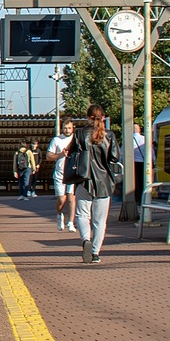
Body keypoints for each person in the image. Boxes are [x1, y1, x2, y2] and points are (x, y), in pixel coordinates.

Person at [68, 106, 125, 263]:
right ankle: (95, 253)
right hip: (104, 183)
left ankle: (86, 239)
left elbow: (71, 153)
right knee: (100, 221)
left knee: (82, 215)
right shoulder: (110, 135)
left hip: (84, 181)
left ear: (88, 117)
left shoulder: (79, 133)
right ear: (103, 117)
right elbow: (115, 158)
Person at [45, 119, 77, 232]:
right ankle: (59, 215)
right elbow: (48, 156)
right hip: (60, 173)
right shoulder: (56, 140)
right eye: (65, 128)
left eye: (69, 128)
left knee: (71, 197)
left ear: (73, 128)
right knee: (61, 199)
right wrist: (60, 154)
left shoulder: (76, 139)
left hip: (72, 172)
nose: (67, 130)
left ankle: (71, 222)